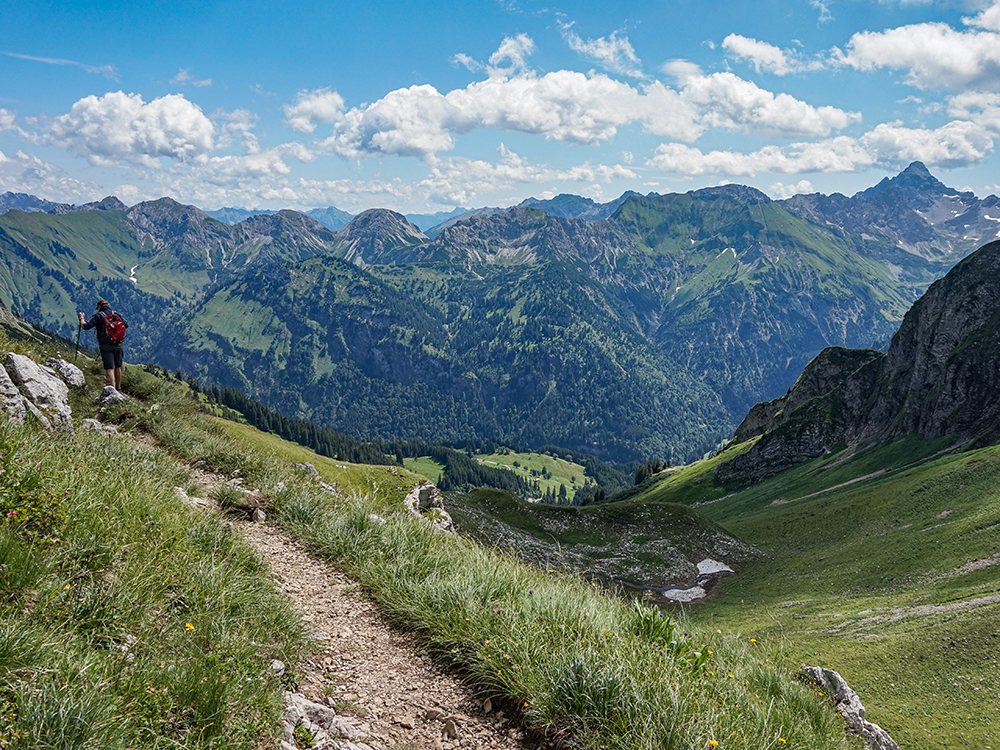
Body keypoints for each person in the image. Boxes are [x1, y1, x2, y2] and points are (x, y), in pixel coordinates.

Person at [79, 299, 128, 390]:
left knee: (109, 367)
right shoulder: (117, 314)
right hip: (119, 344)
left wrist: (81, 318)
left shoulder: (99, 315)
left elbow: (85, 326)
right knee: (118, 366)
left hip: (106, 344)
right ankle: (118, 387)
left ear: (99, 307)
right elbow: (126, 325)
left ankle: (111, 389)